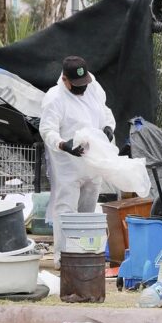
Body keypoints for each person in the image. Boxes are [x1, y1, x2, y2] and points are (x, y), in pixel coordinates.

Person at [39, 56, 116, 269]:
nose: (82, 89)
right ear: (65, 80)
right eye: (77, 86)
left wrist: (109, 127)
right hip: (67, 166)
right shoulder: (55, 98)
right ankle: (63, 258)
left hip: (92, 162)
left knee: (88, 210)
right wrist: (64, 145)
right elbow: (47, 130)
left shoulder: (92, 86)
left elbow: (105, 111)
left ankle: (84, 253)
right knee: (66, 209)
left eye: (84, 84)